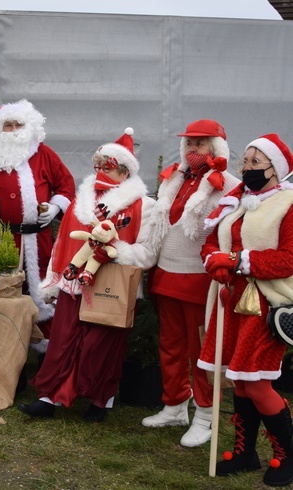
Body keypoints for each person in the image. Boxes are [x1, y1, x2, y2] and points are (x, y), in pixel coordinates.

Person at [18, 128, 157, 422]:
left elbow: (148, 253)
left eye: (108, 165)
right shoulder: (83, 202)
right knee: (63, 339)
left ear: (124, 170)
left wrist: (114, 249)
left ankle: (100, 401)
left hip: (111, 284)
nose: (101, 170)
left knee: (101, 346)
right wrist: (57, 278)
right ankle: (48, 398)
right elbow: (63, 241)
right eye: (99, 164)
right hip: (73, 282)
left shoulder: (144, 206)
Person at [197, 134, 293, 486]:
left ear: (274, 168)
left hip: (265, 303)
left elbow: (289, 258)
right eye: (245, 161)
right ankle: (246, 452)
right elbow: (211, 240)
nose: (247, 168)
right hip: (230, 301)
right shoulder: (236, 201)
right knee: (238, 379)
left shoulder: (288, 203)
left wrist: (237, 261)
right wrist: (214, 261)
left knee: (257, 382)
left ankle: (287, 454)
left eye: (256, 162)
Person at [140, 120, 240, 447]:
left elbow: (233, 228)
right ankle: (174, 405)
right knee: (170, 346)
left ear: (216, 146)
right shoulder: (176, 177)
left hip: (200, 279)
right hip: (167, 274)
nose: (193, 148)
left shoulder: (227, 184)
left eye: (201, 143)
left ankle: (205, 415)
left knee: (202, 350)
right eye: (190, 143)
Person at [0, 99, 75, 325]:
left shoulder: (44, 154)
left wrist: (55, 207)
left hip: (39, 239)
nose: (14, 130)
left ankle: (45, 346)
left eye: (19, 125)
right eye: (8, 125)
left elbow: (66, 185)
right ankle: (10, 347)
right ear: (0, 129)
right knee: (6, 294)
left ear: (30, 127)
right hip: (3, 239)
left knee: (44, 290)